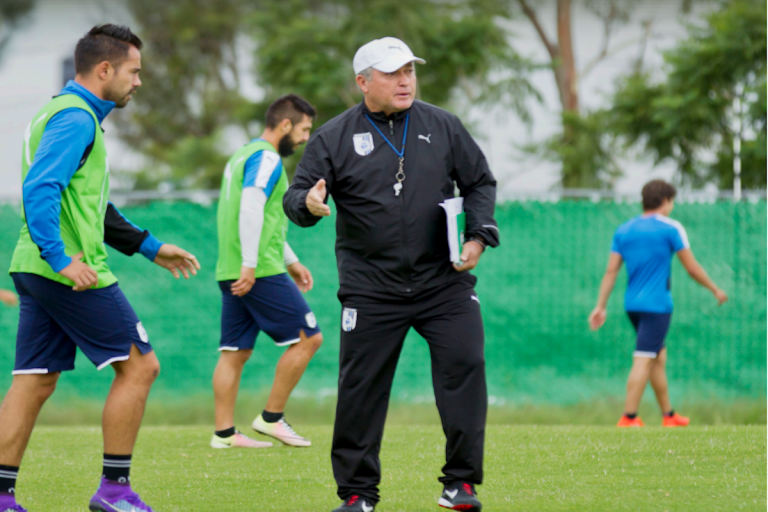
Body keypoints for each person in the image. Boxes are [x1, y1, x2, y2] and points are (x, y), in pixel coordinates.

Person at [284, 37, 499, 512]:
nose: (405, 80)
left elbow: (480, 181)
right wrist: (308, 203)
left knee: (466, 366)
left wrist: (478, 236)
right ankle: (359, 494)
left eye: (409, 71)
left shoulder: (443, 125)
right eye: (392, 73)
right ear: (363, 82)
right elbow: (296, 195)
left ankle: (460, 484)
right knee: (361, 389)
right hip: (371, 289)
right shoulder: (334, 137)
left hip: (444, 282)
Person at [0, 24, 200, 512]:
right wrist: (62, 259)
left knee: (35, 379)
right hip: (64, 269)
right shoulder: (77, 119)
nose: (137, 82)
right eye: (133, 72)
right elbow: (41, 188)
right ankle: (115, 491)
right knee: (139, 366)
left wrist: (152, 247)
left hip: (35, 267)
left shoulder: (60, 112)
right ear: (104, 69)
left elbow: (92, 207)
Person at [211, 94, 323, 450]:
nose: (305, 138)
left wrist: (291, 260)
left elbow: (266, 219)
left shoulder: (242, 155)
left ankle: (224, 434)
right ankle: (271, 419)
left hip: (234, 267)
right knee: (309, 337)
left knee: (235, 351)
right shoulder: (266, 157)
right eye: (304, 129)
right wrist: (251, 264)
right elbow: (251, 208)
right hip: (256, 269)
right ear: (286, 124)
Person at [589, 180, 728, 428]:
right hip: (657, 306)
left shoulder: (624, 229)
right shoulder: (671, 228)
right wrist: (714, 288)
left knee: (657, 356)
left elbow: (611, 271)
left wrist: (601, 305)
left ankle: (669, 415)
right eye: (672, 201)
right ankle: (628, 417)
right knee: (644, 359)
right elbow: (692, 268)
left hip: (632, 305)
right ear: (665, 201)